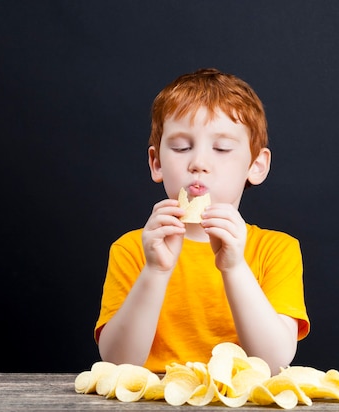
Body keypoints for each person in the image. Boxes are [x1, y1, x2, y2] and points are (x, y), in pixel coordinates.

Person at [94, 68, 310, 374]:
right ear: (156, 163)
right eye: (182, 148)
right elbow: (117, 362)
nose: (198, 163)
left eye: (221, 148)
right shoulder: (132, 250)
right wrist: (155, 270)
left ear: (257, 165)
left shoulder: (276, 250)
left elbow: (274, 362)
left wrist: (234, 267)